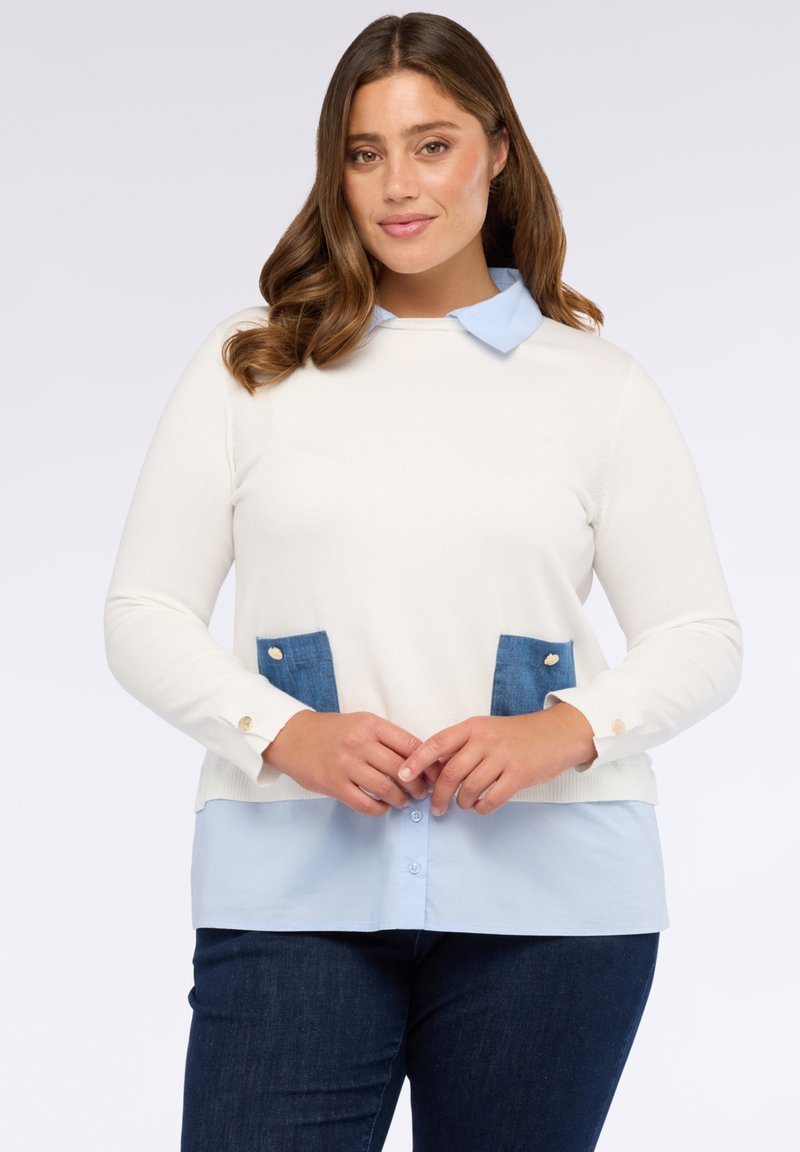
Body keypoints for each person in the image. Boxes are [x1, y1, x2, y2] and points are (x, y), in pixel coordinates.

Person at [104, 12, 742, 1152]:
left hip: (555, 913)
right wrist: (283, 733)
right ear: (336, 172)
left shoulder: (595, 387)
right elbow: (143, 615)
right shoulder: (252, 368)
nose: (397, 185)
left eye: (432, 144)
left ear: (496, 151)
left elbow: (699, 635)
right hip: (291, 893)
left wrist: (563, 732)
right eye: (365, 153)